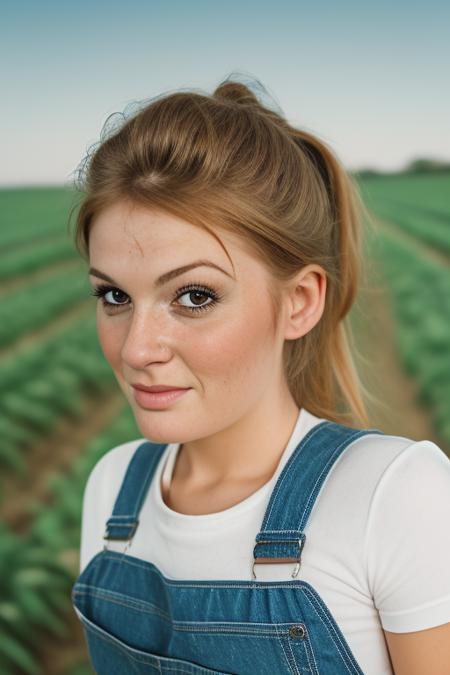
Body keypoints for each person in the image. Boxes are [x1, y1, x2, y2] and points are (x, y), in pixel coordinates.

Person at [69, 75, 450, 675]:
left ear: (299, 301)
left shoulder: (393, 496)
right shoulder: (114, 489)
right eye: (114, 295)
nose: (137, 348)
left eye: (193, 297)